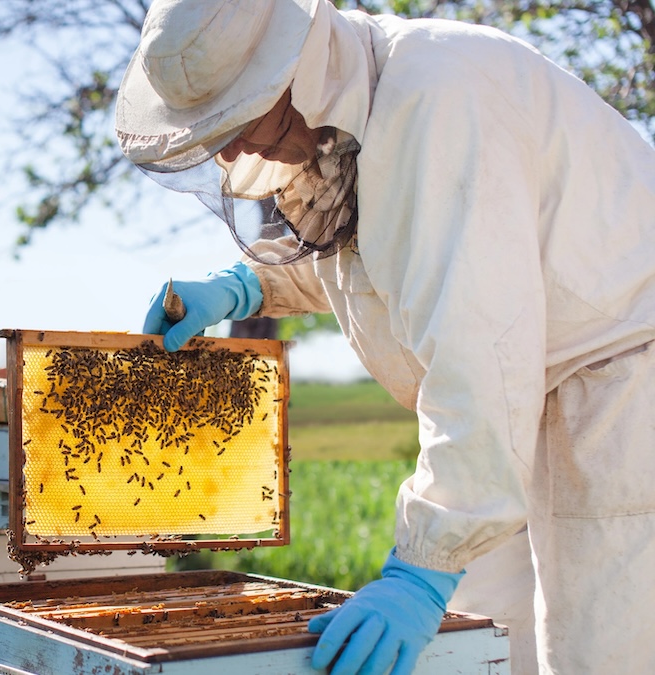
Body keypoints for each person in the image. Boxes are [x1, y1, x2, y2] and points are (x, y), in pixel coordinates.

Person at [115, 0, 655, 673]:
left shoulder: (437, 100)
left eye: (237, 121)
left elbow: (480, 343)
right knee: (482, 643)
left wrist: (420, 571)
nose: (230, 153)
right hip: (527, 403)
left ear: (291, 77)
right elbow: (386, 250)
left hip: (620, 394)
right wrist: (250, 284)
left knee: (600, 656)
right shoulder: (361, 106)